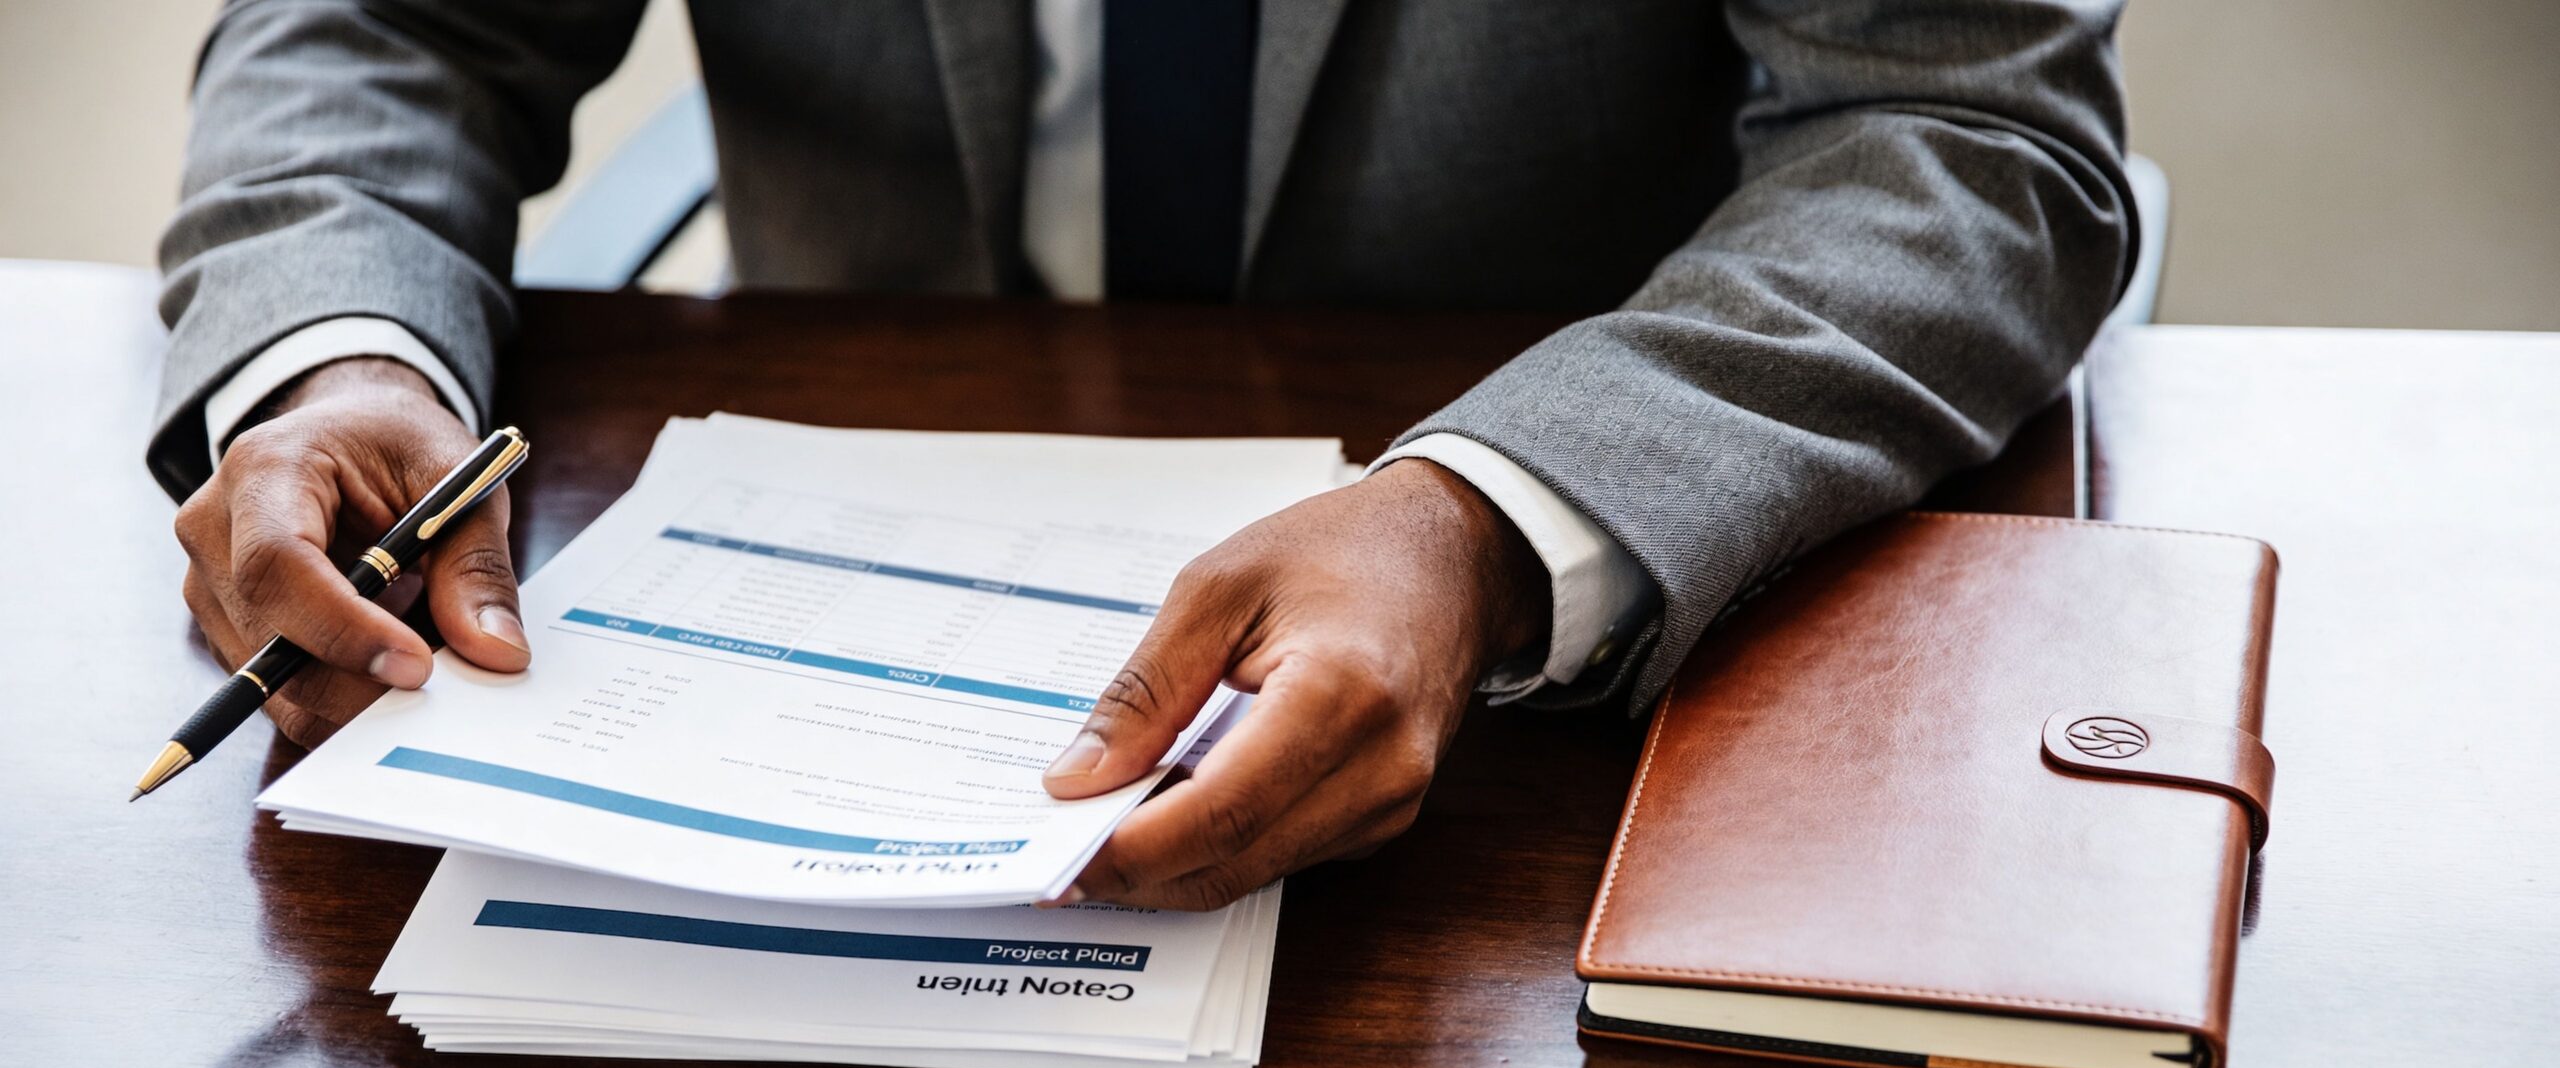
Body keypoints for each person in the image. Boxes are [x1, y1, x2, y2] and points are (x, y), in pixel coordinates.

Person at [153, 0, 2134, 910]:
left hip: (1565, 731)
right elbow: (380, 27)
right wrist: (334, 357)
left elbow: (1965, 143)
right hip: (815, 557)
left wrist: (1500, 513)